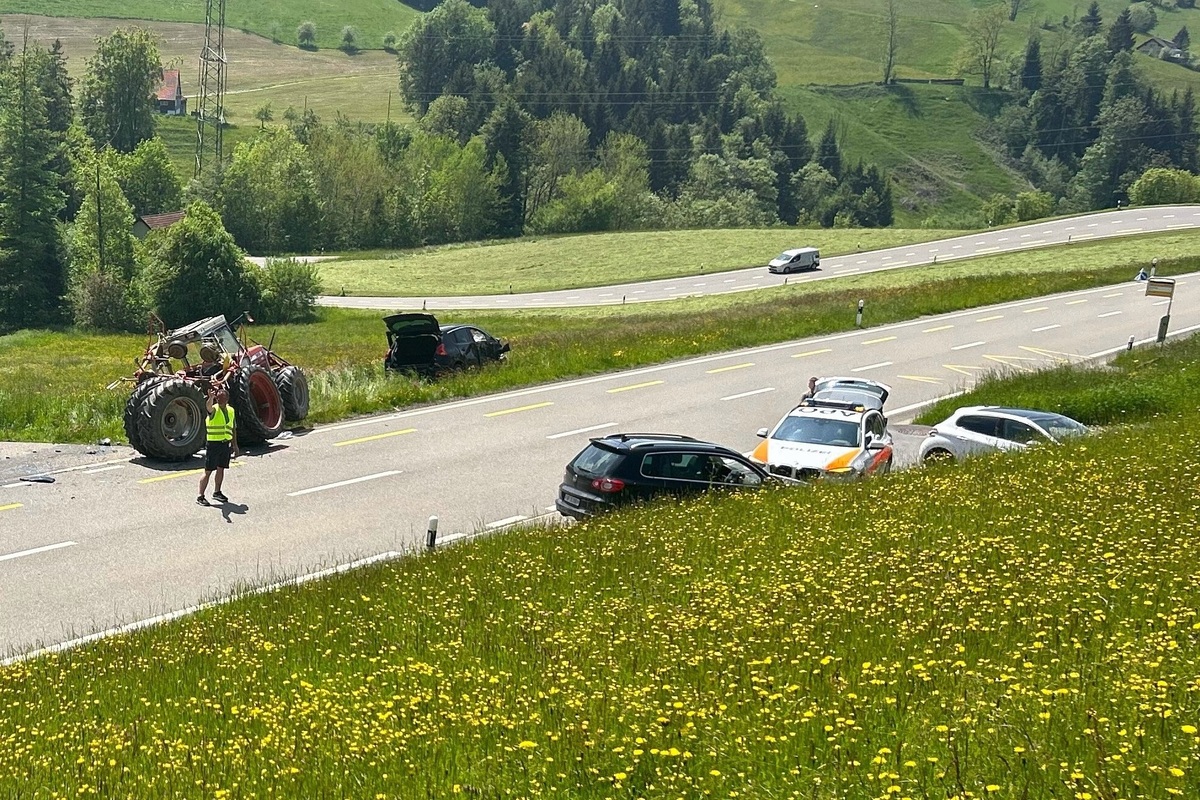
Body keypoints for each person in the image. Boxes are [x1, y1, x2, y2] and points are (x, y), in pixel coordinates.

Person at [198, 387, 237, 506]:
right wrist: (210, 398)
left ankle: (217, 492)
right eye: (218, 397)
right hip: (213, 445)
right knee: (208, 471)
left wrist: (235, 445)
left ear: (227, 399)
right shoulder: (214, 409)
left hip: (225, 444)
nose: (219, 399)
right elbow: (208, 407)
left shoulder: (231, 410)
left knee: (221, 468)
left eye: (222, 397)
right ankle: (200, 496)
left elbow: (233, 428)